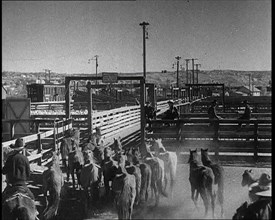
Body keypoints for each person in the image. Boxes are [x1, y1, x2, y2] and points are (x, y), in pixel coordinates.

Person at [2, 138, 35, 203]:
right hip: (22, 185)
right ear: (22, 149)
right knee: (32, 198)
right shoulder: (25, 159)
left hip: (12, 185)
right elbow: (28, 174)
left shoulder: (10, 158)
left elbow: (4, 171)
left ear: (14, 148)